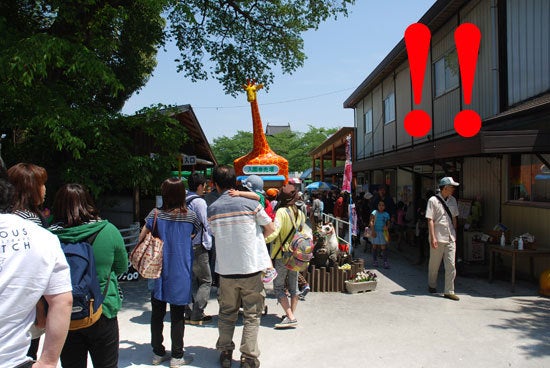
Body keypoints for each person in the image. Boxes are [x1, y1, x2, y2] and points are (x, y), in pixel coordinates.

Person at [49, 183, 128, 368]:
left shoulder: (47, 236)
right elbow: (121, 267)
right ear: (88, 203)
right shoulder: (108, 231)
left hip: (63, 313)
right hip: (102, 309)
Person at [0, 177, 73, 368]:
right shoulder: (39, 233)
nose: (45, 189)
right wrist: (48, 361)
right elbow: (62, 299)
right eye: (41, 184)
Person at [207, 165, 274, 368]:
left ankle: (226, 353)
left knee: (226, 314)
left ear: (215, 185)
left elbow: (214, 234)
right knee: (252, 315)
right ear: (235, 182)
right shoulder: (250, 204)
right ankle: (248, 358)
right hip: (251, 268)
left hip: (226, 270)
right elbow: (270, 228)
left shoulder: (213, 209)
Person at [140, 178, 200, 366]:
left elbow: (142, 236)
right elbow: (195, 234)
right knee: (177, 314)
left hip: (158, 268)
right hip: (181, 268)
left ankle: (158, 353)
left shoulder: (155, 214)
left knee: (157, 312)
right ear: (183, 194)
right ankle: (177, 356)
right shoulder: (190, 216)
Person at [7, 163, 49, 359]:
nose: (45, 189)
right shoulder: (29, 222)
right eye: (41, 184)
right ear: (30, 189)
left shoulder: (9, 215)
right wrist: (40, 310)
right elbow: (31, 271)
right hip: (25, 309)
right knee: (26, 355)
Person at [265, 185, 306, 329]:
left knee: (278, 287)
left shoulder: (281, 212)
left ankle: (290, 316)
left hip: (282, 253)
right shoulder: (299, 212)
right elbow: (302, 231)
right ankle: (290, 315)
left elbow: (275, 232)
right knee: (294, 285)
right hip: (296, 253)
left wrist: (262, 240)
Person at [229, 175, 277, 283]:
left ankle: (270, 269)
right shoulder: (256, 196)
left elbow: (255, 195)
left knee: (263, 250)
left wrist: (239, 193)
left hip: (259, 226)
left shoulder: (259, 196)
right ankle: (268, 269)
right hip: (259, 225)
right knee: (261, 249)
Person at [185, 173, 214, 326]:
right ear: (199, 186)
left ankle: (188, 312)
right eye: (204, 186)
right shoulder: (199, 202)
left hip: (184, 245)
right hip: (198, 246)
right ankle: (197, 314)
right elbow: (206, 224)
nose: (205, 189)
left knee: (187, 279)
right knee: (206, 280)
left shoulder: (183, 200)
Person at [426, 177, 460, 301]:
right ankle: (432, 284)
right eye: (452, 187)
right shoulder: (433, 200)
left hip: (450, 237)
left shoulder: (453, 200)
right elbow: (430, 220)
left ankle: (449, 291)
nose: (453, 189)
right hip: (438, 237)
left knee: (451, 264)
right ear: (445, 188)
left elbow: (454, 218)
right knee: (434, 264)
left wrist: (454, 232)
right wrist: (433, 237)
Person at [369, 201, 391, 268]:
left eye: (382, 205)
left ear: (384, 206)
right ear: (377, 206)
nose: (381, 207)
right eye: (380, 205)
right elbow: (371, 221)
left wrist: (387, 227)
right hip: (375, 231)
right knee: (374, 246)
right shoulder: (374, 212)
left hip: (383, 232)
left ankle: (385, 262)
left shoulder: (386, 214)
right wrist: (373, 231)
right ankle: (375, 261)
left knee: (383, 247)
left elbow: (388, 223)